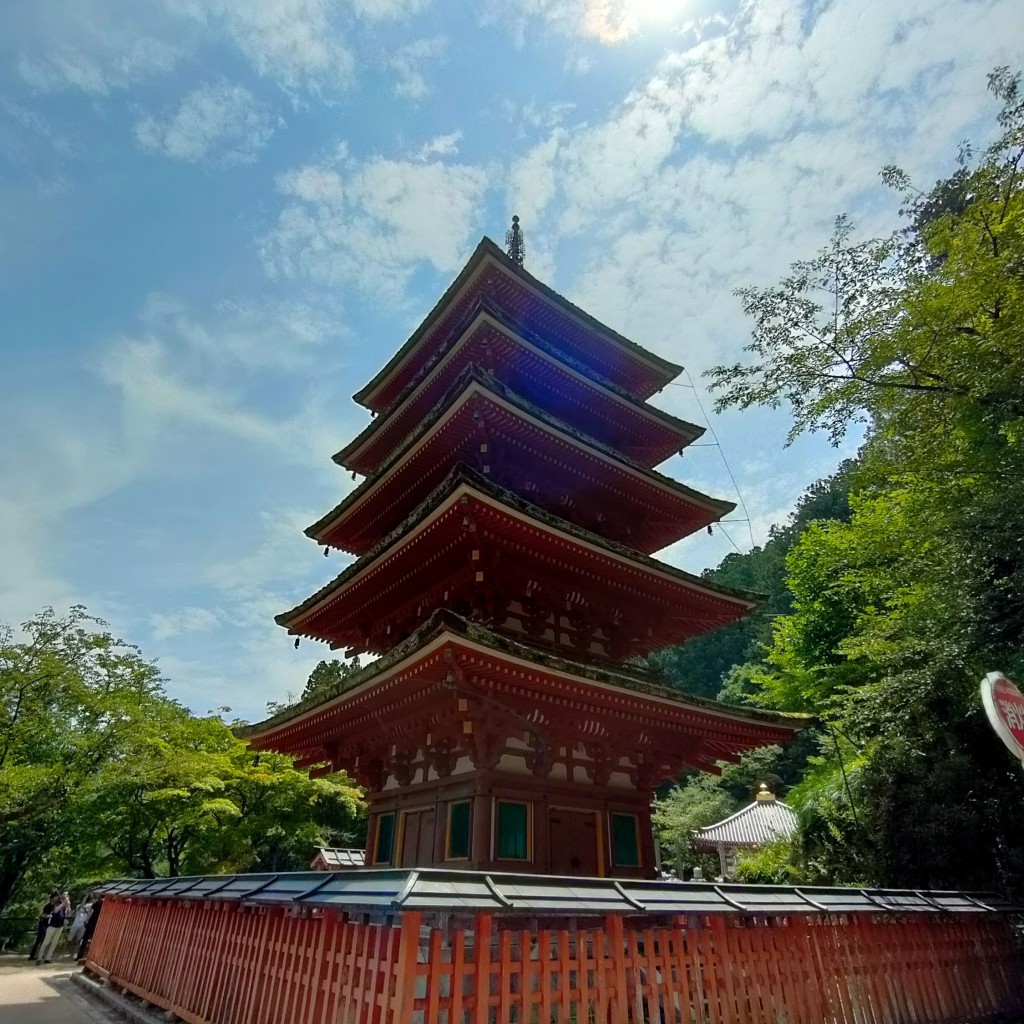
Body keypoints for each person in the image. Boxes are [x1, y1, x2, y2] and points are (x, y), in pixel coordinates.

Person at [36, 891, 70, 964]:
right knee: (46, 942)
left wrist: (68, 905)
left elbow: (68, 913)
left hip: (59, 926)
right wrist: (64, 903)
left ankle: (48, 958)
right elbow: (55, 911)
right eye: (64, 894)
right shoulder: (55, 903)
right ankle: (39, 958)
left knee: (54, 943)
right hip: (52, 926)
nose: (65, 896)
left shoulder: (64, 904)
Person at [27, 894, 56, 961]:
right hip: (43, 924)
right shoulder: (47, 906)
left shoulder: (54, 906)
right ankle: (32, 955)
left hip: (48, 925)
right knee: (39, 940)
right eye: (55, 897)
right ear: (52, 898)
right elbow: (42, 915)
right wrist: (50, 916)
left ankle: (39, 954)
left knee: (44, 940)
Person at [77, 896, 103, 962]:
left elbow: (92, 907)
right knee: (93, 941)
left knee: (85, 939)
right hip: (98, 924)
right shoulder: (104, 903)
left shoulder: (98, 903)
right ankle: (91, 956)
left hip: (91, 922)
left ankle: (80, 955)